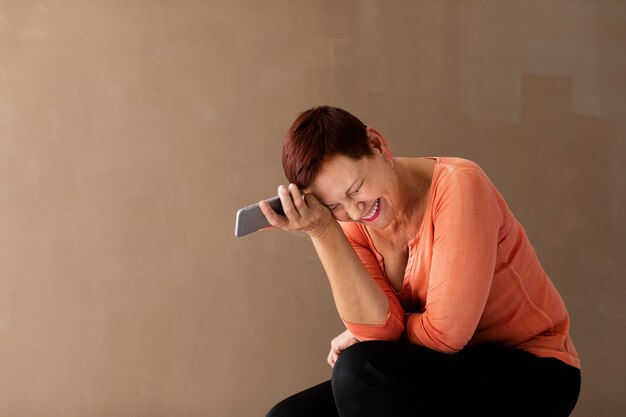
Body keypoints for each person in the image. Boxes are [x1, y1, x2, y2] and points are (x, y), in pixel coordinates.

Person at [259, 105, 581, 417]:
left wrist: (372, 333)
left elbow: (442, 337)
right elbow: (380, 332)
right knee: (287, 414)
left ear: (378, 145)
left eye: (356, 189)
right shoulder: (350, 222)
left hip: (535, 371)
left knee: (358, 370)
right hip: (442, 371)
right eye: (335, 206)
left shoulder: (461, 186)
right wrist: (323, 230)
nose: (356, 211)